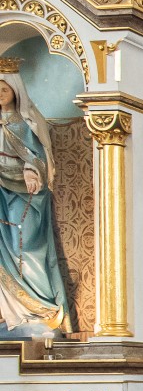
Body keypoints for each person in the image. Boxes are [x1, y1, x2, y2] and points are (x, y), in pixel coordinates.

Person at [0, 70, 71, 334]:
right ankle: (12, 312)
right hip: (1, 191)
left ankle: (40, 308)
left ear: (15, 92)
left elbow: (39, 156)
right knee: (3, 250)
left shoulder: (25, 123)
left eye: (4, 89)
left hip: (26, 191)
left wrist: (31, 171)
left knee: (27, 245)